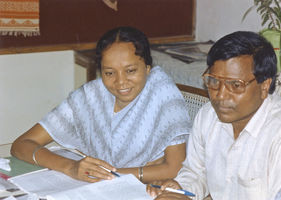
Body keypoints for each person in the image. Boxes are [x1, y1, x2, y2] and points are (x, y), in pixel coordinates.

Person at [11, 26, 191, 183]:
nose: (121, 82)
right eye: (110, 73)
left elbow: (175, 168)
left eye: (130, 71)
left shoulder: (162, 93)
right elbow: (21, 145)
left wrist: (108, 175)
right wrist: (71, 167)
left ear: (147, 68)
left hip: (143, 189)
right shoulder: (91, 96)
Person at [147, 31, 281, 200]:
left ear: (264, 86)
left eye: (235, 85)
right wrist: (180, 190)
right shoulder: (208, 115)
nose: (220, 96)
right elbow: (196, 173)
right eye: (213, 81)